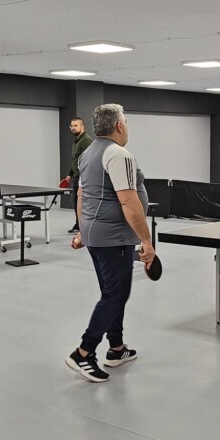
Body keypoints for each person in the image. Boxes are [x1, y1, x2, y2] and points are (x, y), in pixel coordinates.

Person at [67, 104, 154, 383]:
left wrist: (83, 231)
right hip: (114, 237)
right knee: (115, 295)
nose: (126, 126)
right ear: (119, 125)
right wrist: (146, 240)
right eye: (125, 121)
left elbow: (82, 196)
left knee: (111, 292)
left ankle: (116, 348)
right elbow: (129, 201)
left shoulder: (88, 153)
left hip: (96, 236)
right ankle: (84, 352)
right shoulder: (119, 154)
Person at [65, 117, 93, 234]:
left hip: (82, 177)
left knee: (80, 202)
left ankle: (82, 227)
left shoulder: (86, 141)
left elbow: (88, 161)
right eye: (71, 126)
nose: (73, 128)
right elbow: (76, 160)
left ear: (82, 127)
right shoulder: (76, 140)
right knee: (76, 201)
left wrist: (83, 178)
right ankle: (79, 224)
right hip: (76, 175)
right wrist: (70, 173)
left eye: (76, 125)